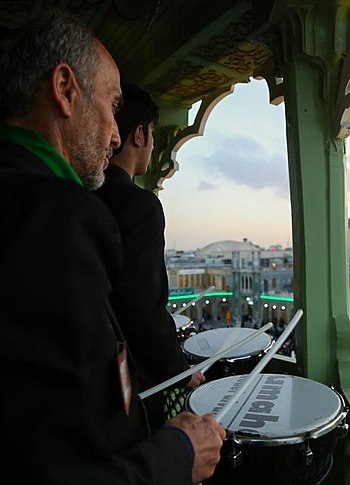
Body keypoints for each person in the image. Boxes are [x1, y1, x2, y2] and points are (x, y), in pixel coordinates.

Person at [0, 9, 224, 484]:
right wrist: (177, 454)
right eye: (111, 104)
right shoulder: (55, 218)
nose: (116, 134)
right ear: (64, 90)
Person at [94, 83, 204, 429]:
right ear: (139, 135)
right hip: (131, 386)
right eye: (153, 133)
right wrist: (179, 371)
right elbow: (142, 307)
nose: (154, 144)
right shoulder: (139, 206)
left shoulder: (83, 196)